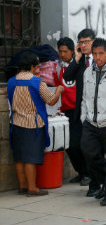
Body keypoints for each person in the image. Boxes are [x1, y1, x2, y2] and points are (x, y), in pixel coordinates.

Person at [7, 52, 64, 196]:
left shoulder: (11, 81)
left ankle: (22, 186)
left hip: (16, 123)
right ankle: (32, 188)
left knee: (19, 157)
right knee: (30, 158)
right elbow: (51, 101)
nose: (39, 67)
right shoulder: (37, 82)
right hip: (33, 125)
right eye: (37, 64)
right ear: (32, 66)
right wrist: (58, 90)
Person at [80, 38, 106, 206]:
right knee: (89, 153)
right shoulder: (88, 71)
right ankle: (105, 182)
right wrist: (84, 117)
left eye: (101, 53)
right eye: (94, 54)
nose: (97, 57)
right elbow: (84, 97)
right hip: (90, 122)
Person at [63, 29, 96, 186]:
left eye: (86, 42)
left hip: (97, 110)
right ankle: (83, 172)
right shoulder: (80, 61)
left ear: (93, 41)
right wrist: (76, 58)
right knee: (73, 144)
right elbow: (67, 77)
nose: (83, 45)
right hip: (80, 110)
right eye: (81, 42)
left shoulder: (100, 59)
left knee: (91, 147)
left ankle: (93, 176)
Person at [54, 37, 88, 184]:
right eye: (60, 51)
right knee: (68, 145)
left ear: (72, 50)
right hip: (65, 111)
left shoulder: (80, 65)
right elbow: (57, 89)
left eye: (65, 51)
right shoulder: (57, 68)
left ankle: (89, 173)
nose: (62, 54)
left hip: (78, 110)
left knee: (79, 144)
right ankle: (81, 172)